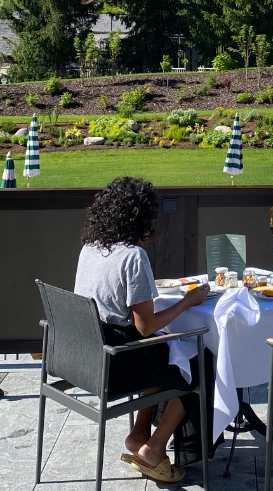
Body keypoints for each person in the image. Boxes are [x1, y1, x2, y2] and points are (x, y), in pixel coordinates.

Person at [74, 176, 210, 484]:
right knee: (202, 362)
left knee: (169, 353)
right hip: (118, 361)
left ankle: (139, 435)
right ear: (140, 217)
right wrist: (188, 302)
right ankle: (155, 447)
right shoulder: (133, 256)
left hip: (90, 353)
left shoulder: (91, 248)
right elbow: (145, 327)